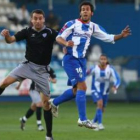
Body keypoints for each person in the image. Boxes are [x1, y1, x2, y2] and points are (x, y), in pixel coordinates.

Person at [49, 1, 131, 130]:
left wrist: (122, 35)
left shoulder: (93, 27)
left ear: (91, 13)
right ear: (80, 12)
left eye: (87, 9)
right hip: (71, 59)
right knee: (83, 86)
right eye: (83, 9)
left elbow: (108, 38)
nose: (85, 11)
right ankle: (83, 119)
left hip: (81, 61)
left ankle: (54, 102)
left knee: (76, 91)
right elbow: (58, 37)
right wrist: (65, 44)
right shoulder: (71, 24)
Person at [0, 9, 58, 140]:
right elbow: (11, 40)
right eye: (35, 18)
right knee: (3, 83)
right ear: (32, 20)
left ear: (43, 20)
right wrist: (7, 36)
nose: (37, 21)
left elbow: (60, 39)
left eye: (40, 18)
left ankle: (49, 135)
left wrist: (66, 44)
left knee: (46, 104)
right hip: (27, 65)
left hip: (42, 70)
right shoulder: (27, 31)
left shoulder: (50, 32)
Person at [86, 54, 120, 130]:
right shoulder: (94, 68)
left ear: (107, 60)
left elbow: (117, 79)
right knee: (100, 103)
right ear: (99, 60)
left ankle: (93, 122)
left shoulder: (110, 69)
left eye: (104, 59)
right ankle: (100, 124)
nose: (103, 61)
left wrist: (115, 86)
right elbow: (85, 74)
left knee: (102, 109)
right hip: (95, 90)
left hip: (105, 92)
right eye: (101, 59)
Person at [17, 67, 56, 131]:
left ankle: (23, 120)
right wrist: (19, 85)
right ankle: (39, 125)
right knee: (39, 104)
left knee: (33, 107)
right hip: (34, 90)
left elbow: (54, 80)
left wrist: (50, 79)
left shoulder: (49, 69)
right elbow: (23, 76)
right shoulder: (35, 68)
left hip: (42, 90)